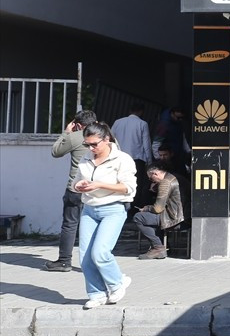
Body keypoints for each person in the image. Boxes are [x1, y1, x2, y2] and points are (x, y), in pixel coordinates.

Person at [71, 123, 137, 309]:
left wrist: (99, 184)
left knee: (100, 252)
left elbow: (128, 187)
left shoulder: (122, 159)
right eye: (87, 144)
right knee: (84, 257)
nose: (91, 148)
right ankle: (96, 294)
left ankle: (117, 283)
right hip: (89, 210)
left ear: (106, 139)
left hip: (113, 209)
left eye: (94, 144)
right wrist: (80, 186)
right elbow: (75, 184)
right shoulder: (85, 158)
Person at [45, 109, 98, 272]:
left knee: (70, 224)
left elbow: (56, 152)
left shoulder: (76, 136)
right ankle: (94, 262)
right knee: (95, 225)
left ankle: (64, 261)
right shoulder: (106, 137)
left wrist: (66, 133)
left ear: (79, 125)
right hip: (98, 188)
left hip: (76, 188)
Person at [133, 161, 184, 260]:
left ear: (155, 174)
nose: (152, 181)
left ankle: (158, 247)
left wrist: (146, 208)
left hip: (174, 217)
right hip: (181, 215)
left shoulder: (165, 183)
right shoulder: (173, 177)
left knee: (139, 217)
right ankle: (163, 245)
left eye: (151, 178)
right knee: (151, 218)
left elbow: (158, 208)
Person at [112, 102, 153, 207]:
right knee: (135, 184)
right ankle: (133, 207)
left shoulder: (117, 122)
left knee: (118, 181)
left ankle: (119, 204)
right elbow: (146, 144)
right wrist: (149, 162)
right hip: (136, 159)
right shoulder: (142, 124)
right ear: (141, 112)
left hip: (118, 158)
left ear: (130, 111)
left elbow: (110, 140)